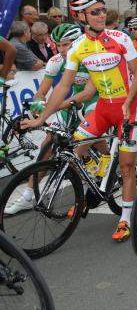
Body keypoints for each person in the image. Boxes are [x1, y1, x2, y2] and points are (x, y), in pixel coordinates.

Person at [21, 0, 137, 241]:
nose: (101, 15)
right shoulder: (78, 47)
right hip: (103, 109)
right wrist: (42, 118)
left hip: (126, 110)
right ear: (81, 16)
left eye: (102, 10)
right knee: (76, 150)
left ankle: (125, 219)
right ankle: (91, 191)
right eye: (95, 11)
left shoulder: (121, 38)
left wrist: (131, 103)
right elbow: (63, 86)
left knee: (127, 166)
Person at [4, 23, 100, 215]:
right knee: (48, 144)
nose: (61, 50)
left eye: (66, 45)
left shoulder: (92, 57)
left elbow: (86, 96)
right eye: (58, 45)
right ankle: (28, 196)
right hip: (72, 103)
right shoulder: (56, 60)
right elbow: (42, 92)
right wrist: (36, 106)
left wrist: (50, 107)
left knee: (82, 138)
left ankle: (102, 175)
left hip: (97, 100)